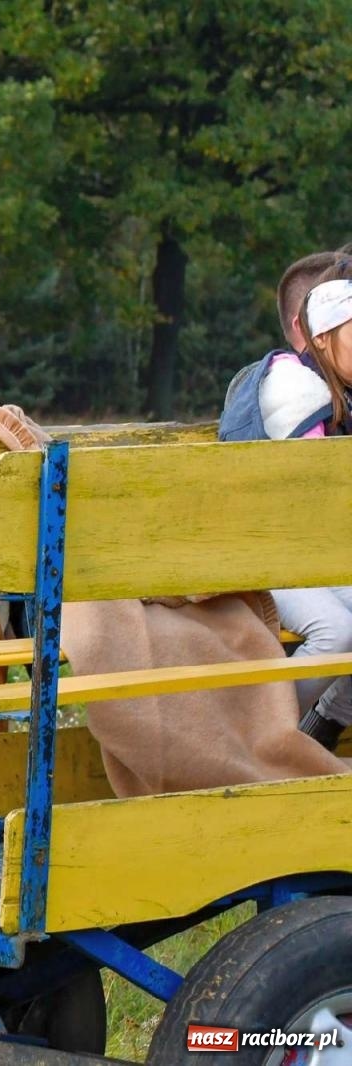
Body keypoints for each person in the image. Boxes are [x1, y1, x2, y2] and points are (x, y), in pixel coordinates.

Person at [219, 251, 352, 749]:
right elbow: (316, 502)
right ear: (320, 336)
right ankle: (254, 741)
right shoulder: (293, 391)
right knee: (336, 632)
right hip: (266, 555)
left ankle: (320, 728)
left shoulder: (336, 389)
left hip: (313, 556)